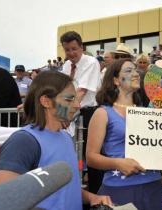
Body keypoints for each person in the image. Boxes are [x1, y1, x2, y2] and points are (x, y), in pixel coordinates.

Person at [0, 71, 111, 210]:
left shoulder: (65, 137)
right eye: (69, 99)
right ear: (46, 101)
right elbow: (2, 199)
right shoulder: (23, 141)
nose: (78, 105)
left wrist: (91, 197)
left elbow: (65, 188)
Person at [86, 59, 162, 210]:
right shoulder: (103, 113)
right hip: (120, 189)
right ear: (116, 80)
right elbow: (91, 158)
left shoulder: (148, 113)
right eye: (129, 71)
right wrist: (118, 163)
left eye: (136, 70)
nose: (136, 74)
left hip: (153, 186)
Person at [60, 31, 102, 194]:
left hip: (90, 113)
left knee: (91, 154)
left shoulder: (91, 62)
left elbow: (81, 91)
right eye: (67, 50)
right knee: (75, 153)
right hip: (73, 112)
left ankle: (96, 194)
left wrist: (65, 113)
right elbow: (63, 90)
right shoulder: (66, 66)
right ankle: (75, 189)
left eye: (74, 49)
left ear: (81, 47)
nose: (71, 53)